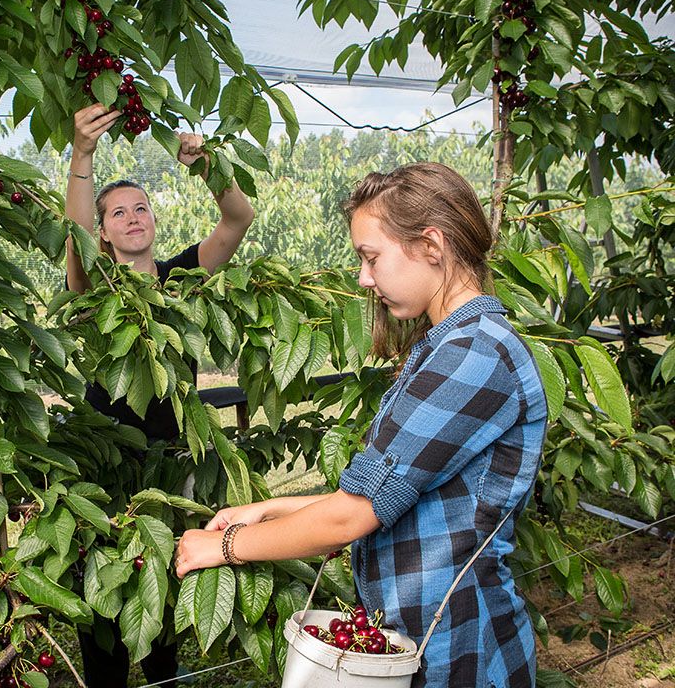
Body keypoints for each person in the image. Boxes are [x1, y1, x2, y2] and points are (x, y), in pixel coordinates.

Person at [175, 162, 548, 688]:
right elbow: (394, 495)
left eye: (371, 257)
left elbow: (352, 516)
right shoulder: (448, 346)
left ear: (431, 245)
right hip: (413, 642)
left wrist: (223, 546)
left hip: (457, 651)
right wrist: (266, 509)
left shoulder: (475, 354)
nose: (364, 278)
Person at [64, 103, 255, 685]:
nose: (132, 217)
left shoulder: (182, 277)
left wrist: (208, 167)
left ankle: (162, 671)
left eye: (141, 207)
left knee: (165, 583)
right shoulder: (96, 285)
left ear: (154, 219)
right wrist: (83, 153)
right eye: (117, 212)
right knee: (104, 586)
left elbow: (238, 219)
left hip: (174, 463)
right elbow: (73, 238)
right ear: (103, 230)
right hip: (106, 461)